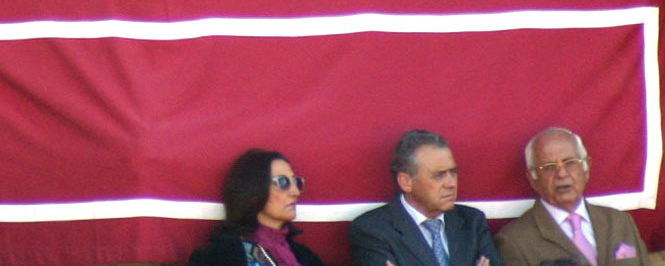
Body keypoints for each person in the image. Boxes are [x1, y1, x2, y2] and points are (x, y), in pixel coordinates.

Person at [494, 128, 650, 266]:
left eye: (570, 163)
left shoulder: (620, 222)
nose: (561, 174)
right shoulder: (514, 241)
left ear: (586, 168)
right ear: (533, 179)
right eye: (549, 167)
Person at [349, 129, 502, 266]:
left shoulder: (472, 222)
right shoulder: (373, 231)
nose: (451, 183)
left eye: (453, 172)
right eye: (438, 175)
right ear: (406, 182)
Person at [189, 148, 324, 266]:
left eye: (296, 182)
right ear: (255, 189)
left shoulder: (305, 257)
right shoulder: (220, 256)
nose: (295, 191)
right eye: (283, 182)